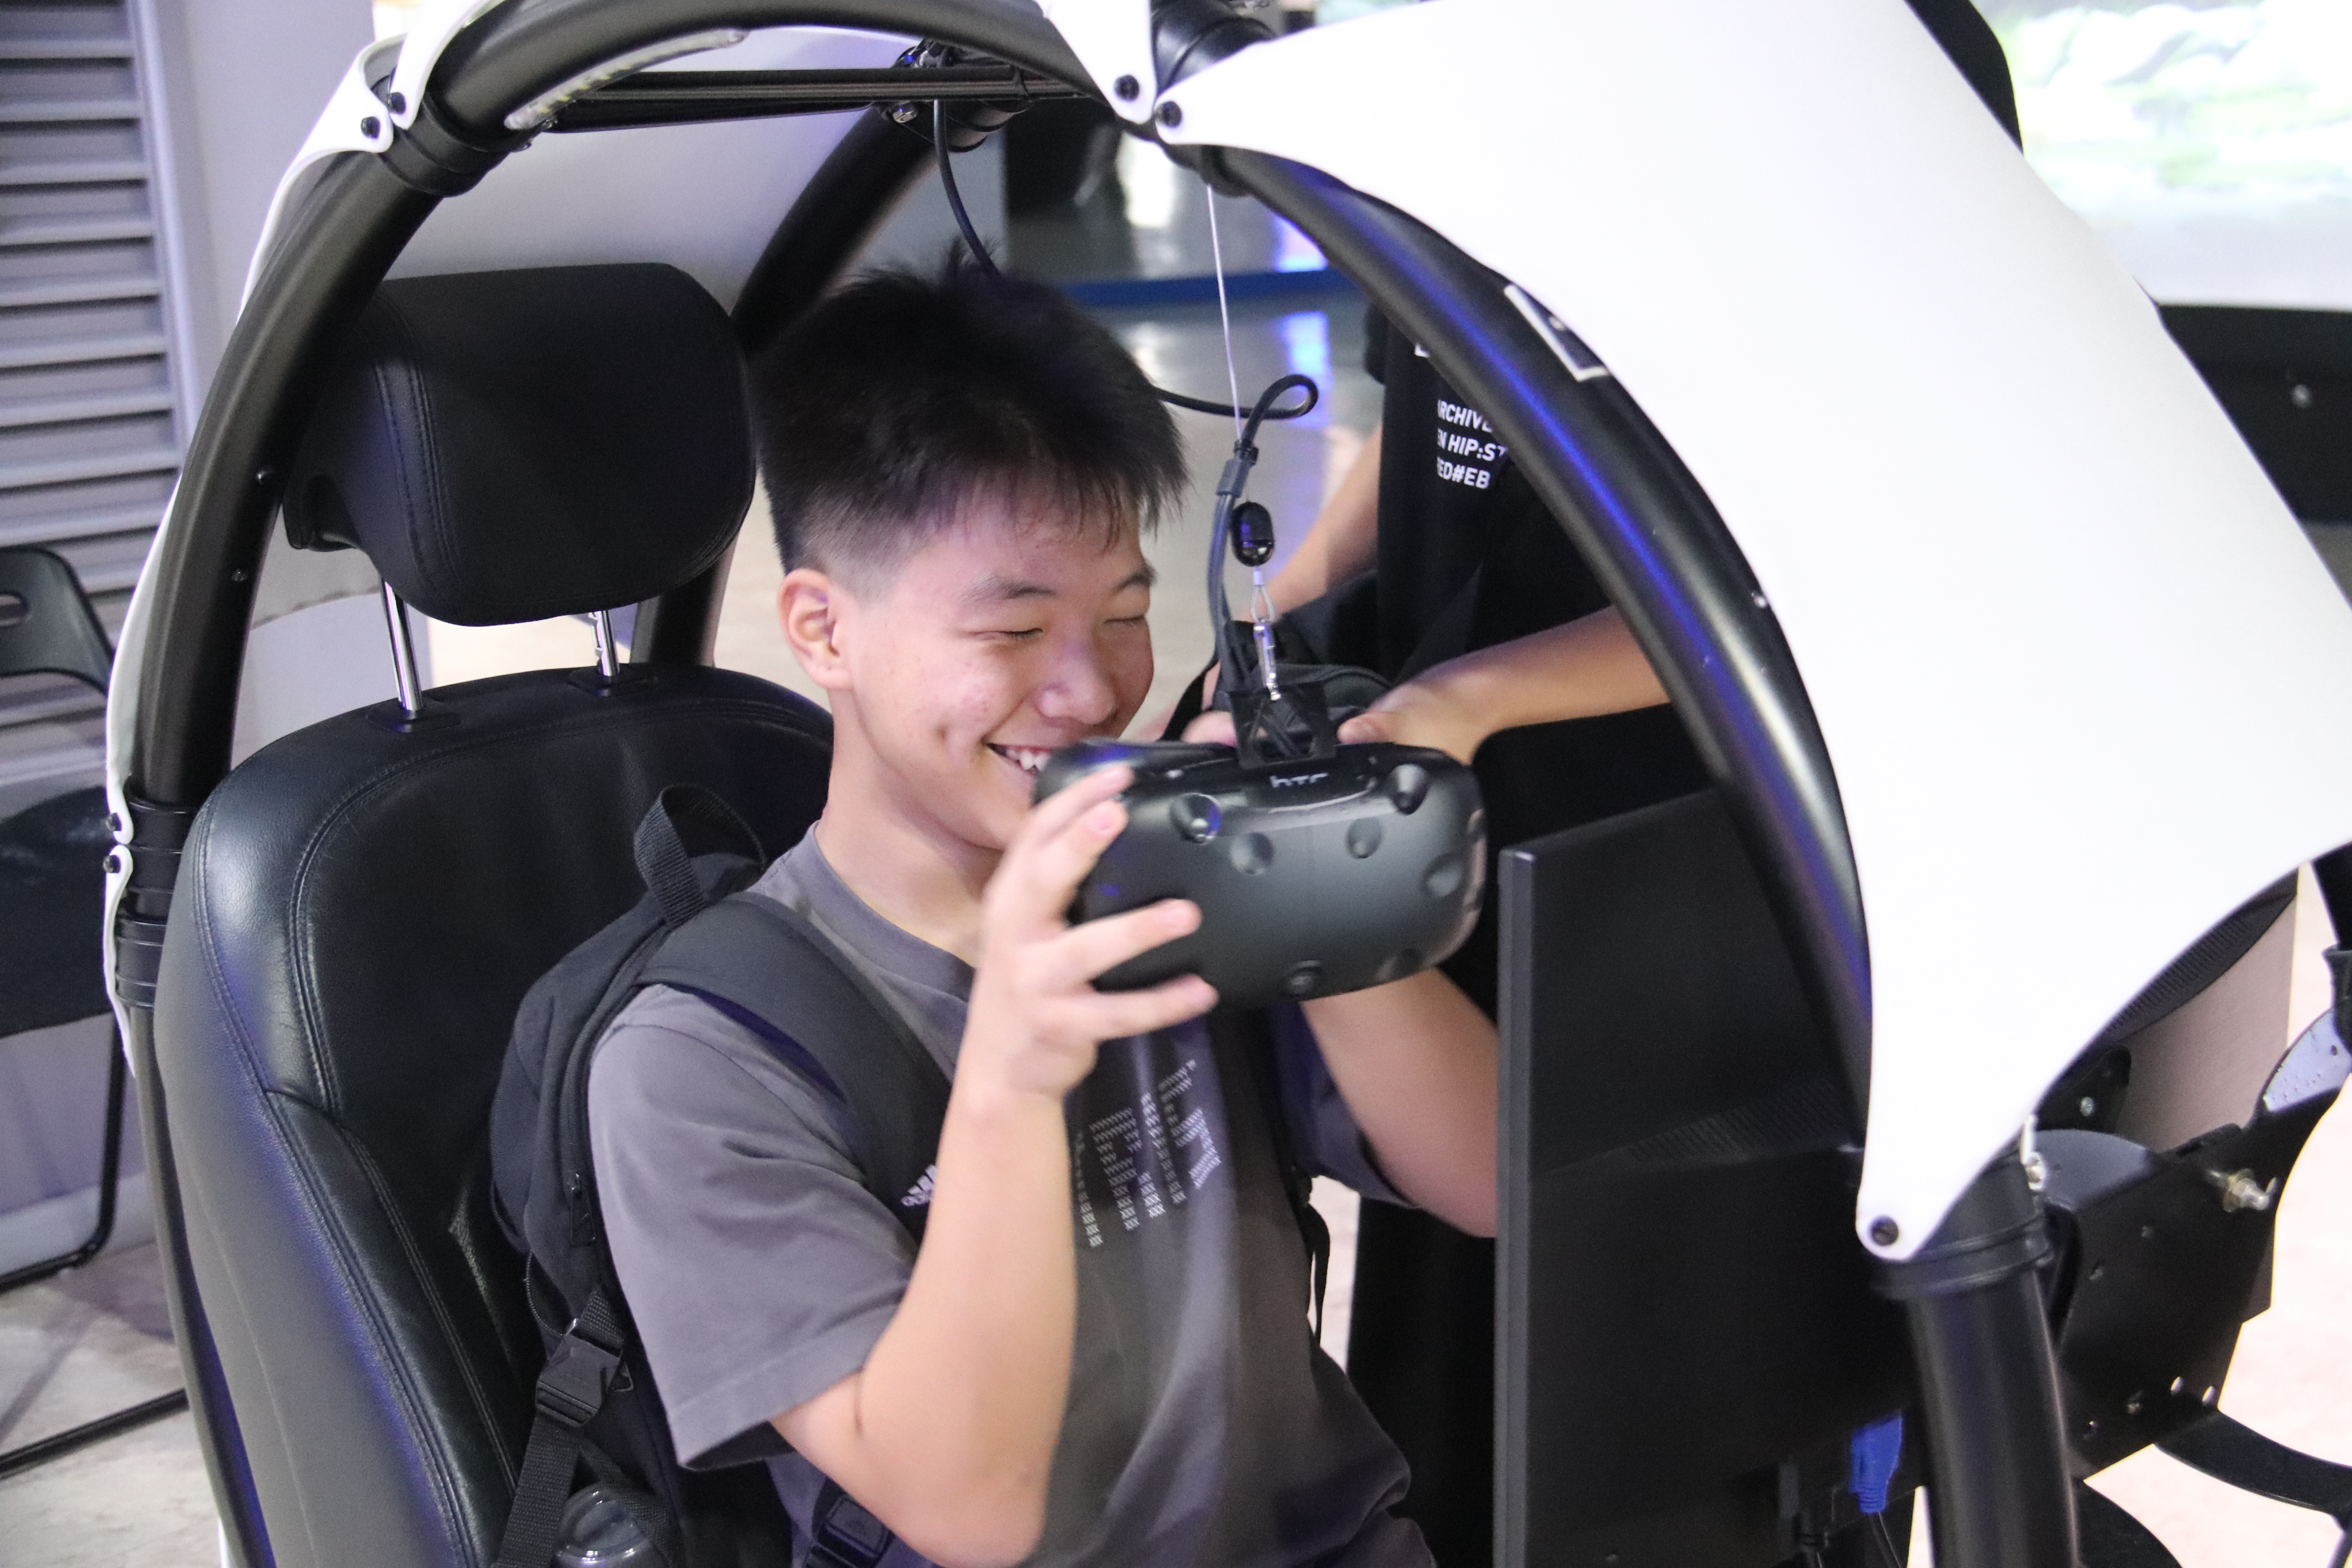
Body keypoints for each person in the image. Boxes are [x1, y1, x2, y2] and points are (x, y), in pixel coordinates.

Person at [586, 257, 1497, 1568]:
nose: (1090, 690)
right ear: (823, 631)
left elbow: (1487, 1179)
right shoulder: (702, 1065)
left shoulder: (1169, 875)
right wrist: (1010, 1074)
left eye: (1125, 612)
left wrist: (1311, 883)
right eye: (1014, 634)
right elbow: (969, 1511)